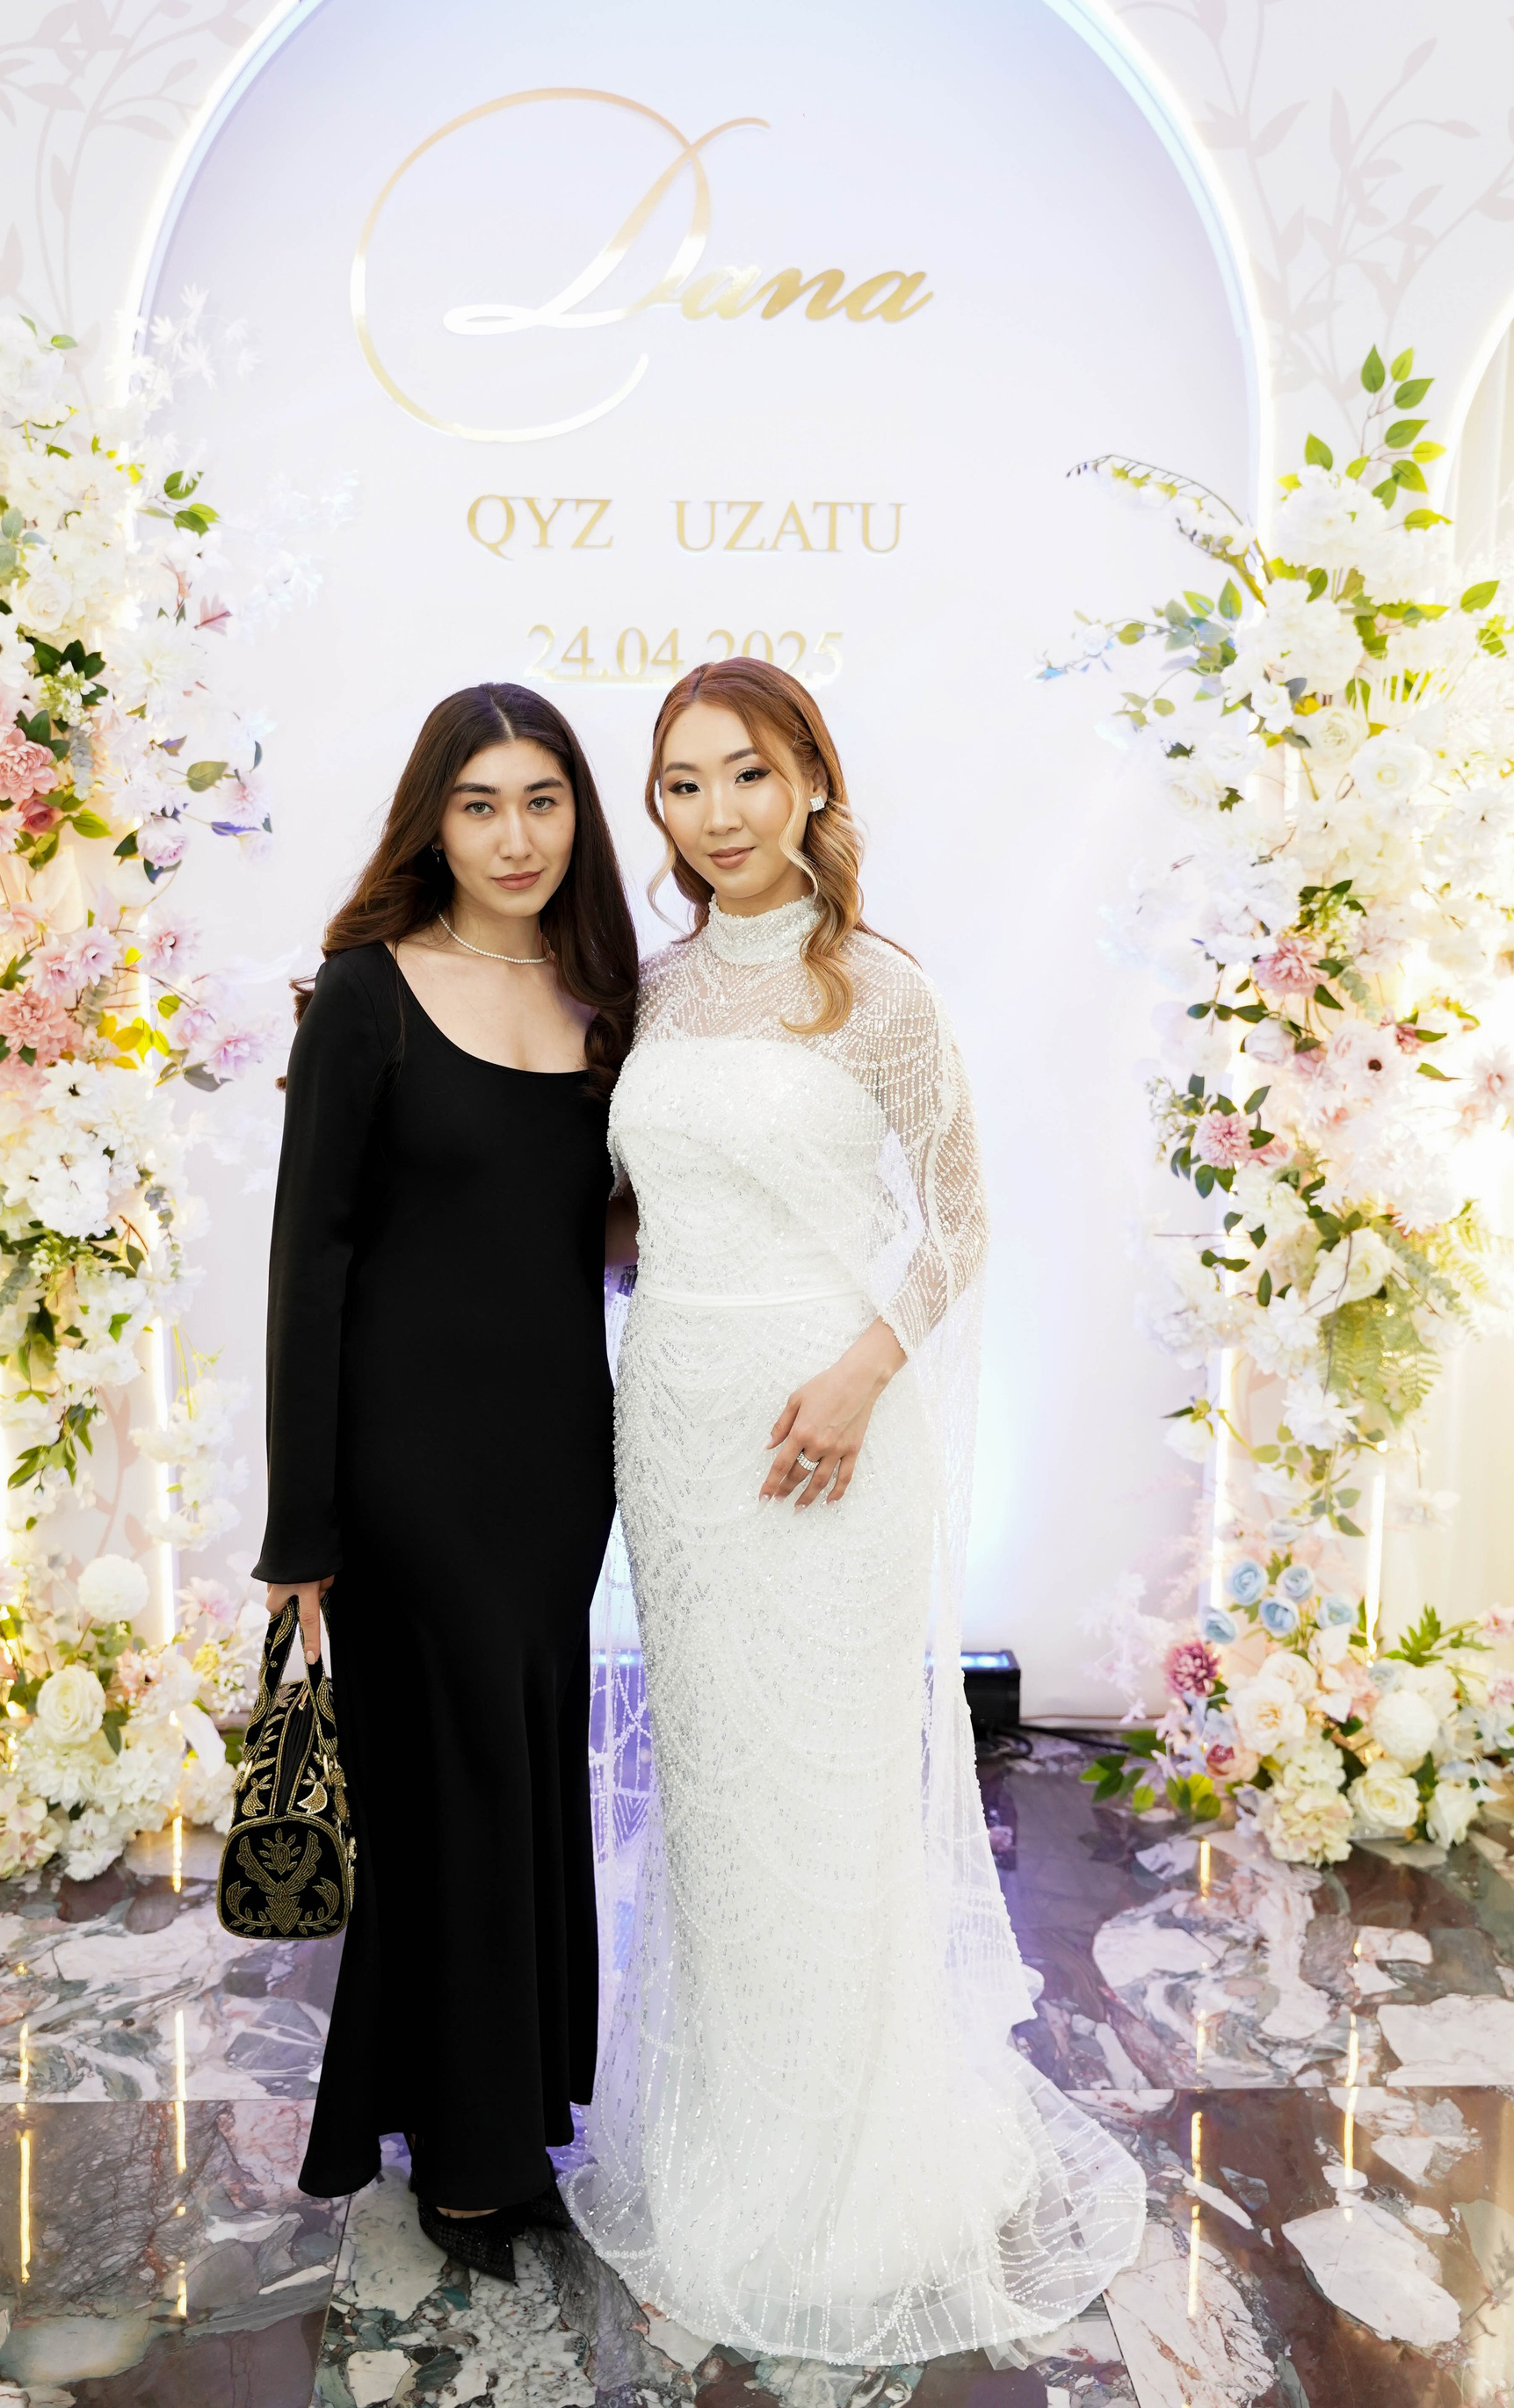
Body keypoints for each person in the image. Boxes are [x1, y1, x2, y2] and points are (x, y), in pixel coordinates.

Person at [571, 659, 1144, 2362]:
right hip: (678, 1429)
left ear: (811, 780)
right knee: (719, 1794)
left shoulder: (879, 990)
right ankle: (726, 2148)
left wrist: (860, 1372)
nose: (717, 813)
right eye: (683, 784)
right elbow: (628, 1207)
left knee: (825, 1794)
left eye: (747, 774)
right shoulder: (651, 993)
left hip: (829, 1434)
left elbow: (960, 1223)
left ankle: (852, 2177)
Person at [254, 682, 637, 2282]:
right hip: (406, 1466)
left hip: (559, 1465)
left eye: (542, 800)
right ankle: (469, 2162)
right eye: (480, 804)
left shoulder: (607, 997)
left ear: (578, 817)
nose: (514, 835)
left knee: (519, 1783)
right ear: (435, 820)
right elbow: (309, 1261)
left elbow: (616, 1224)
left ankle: (506, 2115)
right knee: (455, 1792)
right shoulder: (367, 991)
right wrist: (300, 1524)